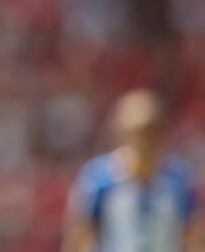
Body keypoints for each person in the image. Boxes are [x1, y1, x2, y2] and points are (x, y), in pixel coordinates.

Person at [61, 88, 202, 252]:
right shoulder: (98, 179)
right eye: (137, 133)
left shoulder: (179, 180)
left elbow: (195, 236)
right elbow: (78, 237)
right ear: (121, 134)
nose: (144, 142)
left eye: (151, 132)